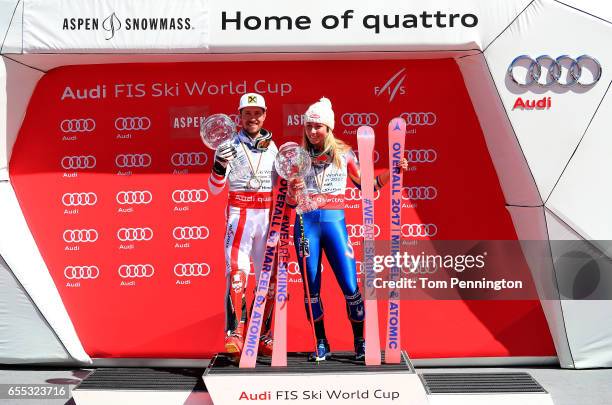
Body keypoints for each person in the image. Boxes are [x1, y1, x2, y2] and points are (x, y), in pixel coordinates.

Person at [288, 97, 408, 361]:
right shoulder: (297, 157)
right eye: (309, 126)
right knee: (312, 287)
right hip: (305, 224)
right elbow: (289, 200)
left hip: (334, 224)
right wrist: (292, 192)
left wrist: (392, 171)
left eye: (318, 126)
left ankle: (360, 342)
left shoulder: (344, 155)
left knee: (350, 285)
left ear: (328, 128)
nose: (312, 131)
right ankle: (321, 342)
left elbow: (368, 186)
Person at [208, 93, 278, 356]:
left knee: (269, 277)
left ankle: (264, 336)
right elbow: (214, 188)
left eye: (257, 112)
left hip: (267, 217)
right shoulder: (228, 145)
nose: (253, 118)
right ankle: (236, 332)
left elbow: (282, 186)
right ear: (239, 117)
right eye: (247, 113)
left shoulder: (274, 148)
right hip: (240, 214)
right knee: (237, 272)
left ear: (264, 115)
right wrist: (219, 163)